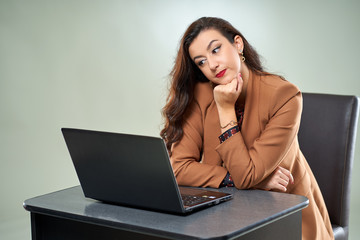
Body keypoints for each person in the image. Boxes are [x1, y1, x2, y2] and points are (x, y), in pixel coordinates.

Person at [160, 17, 334, 240]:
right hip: (223, 216)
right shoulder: (200, 95)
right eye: (201, 61)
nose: (212, 65)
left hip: (286, 218)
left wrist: (225, 110)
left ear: (238, 44)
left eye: (216, 50)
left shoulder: (285, 96)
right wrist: (246, 180)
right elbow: (178, 168)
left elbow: (247, 175)